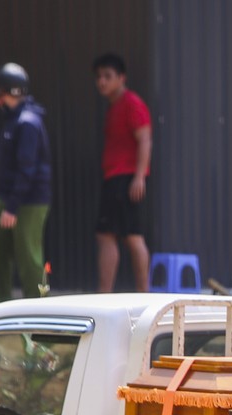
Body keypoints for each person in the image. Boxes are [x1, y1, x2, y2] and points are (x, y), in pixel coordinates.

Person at [0, 62, 51, 304]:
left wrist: (12, 206)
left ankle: (40, 309)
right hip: (11, 198)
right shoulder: (13, 121)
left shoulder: (28, 123)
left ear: (10, 92)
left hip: (30, 202)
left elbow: (27, 169)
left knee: (29, 257)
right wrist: (2, 196)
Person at [93, 52, 152, 293]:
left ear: (121, 78)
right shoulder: (114, 107)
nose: (102, 82)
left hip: (125, 179)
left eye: (108, 76)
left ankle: (135, 294)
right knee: (117, 235)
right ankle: (114, 294)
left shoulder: (131, 103)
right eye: (98, 77)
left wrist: (139, 176)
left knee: (126, 237)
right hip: (114, 179)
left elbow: (145, 139)